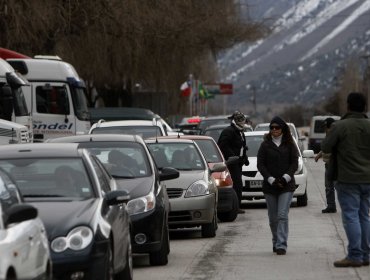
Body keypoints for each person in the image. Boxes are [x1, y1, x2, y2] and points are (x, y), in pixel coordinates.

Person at [321, 92, 370, 268]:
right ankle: (366, 254)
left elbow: (325, 147)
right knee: (365, 216)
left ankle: (355, 255)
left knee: (351, 217)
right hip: (368, 179)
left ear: (348, 106)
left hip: (348, 179)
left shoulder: (340, 126)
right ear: (364, 107)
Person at [257, 116, 299, 255]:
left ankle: (281, 244)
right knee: (273, 218)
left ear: (282, 129)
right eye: (272, 127)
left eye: (277, 127)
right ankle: (275, 241)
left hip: (286, 186)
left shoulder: (289, 143)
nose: (274, 130)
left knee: (282, 215)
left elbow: (294, 163)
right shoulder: (265, 145)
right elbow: (260, 164)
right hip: (270, 187)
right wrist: (270, 179)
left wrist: (285, 178)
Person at [218, 110, 249, 214]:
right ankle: (235, 207)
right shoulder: (229, 131)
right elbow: (223, 146)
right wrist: (233, 157)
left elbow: (242, 147)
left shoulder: (240, 132)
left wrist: (245, 158)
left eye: (243, 119)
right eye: (239, 120)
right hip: (231, 163)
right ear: (234, 120)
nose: (242, 122)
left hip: (238, 163)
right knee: (236, 184)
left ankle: (236, 206)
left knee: (238, 184)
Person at [314, 117, 337, 213]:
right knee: (328, 186)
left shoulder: (336, 136)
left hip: (336, 165)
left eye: (327, 127)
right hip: (328, 165)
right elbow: (325, 148)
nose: (325, 129)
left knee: (338, 186)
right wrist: (318, 155)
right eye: (325, 127)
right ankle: (331, 206)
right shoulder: (328, 136)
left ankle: (346, 205)